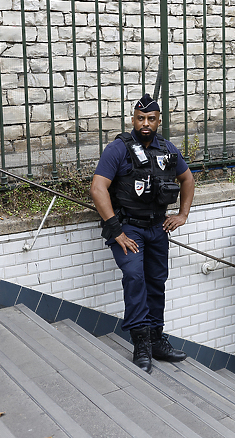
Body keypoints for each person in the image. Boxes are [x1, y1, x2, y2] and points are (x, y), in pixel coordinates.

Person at [90, 93, 195, 373]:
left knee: (156, 282)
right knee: (135, 277)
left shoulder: (167, 149)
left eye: (151, 119)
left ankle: (157, 339)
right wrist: (116, 231)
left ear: (159, 120)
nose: (145, 123)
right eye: (140, 118)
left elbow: (187, 179)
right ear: (133, 120)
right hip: (129, 228)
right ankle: (141, 344)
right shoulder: (119, 149)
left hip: (157, 227)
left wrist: (182, 215)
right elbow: (98, 188)